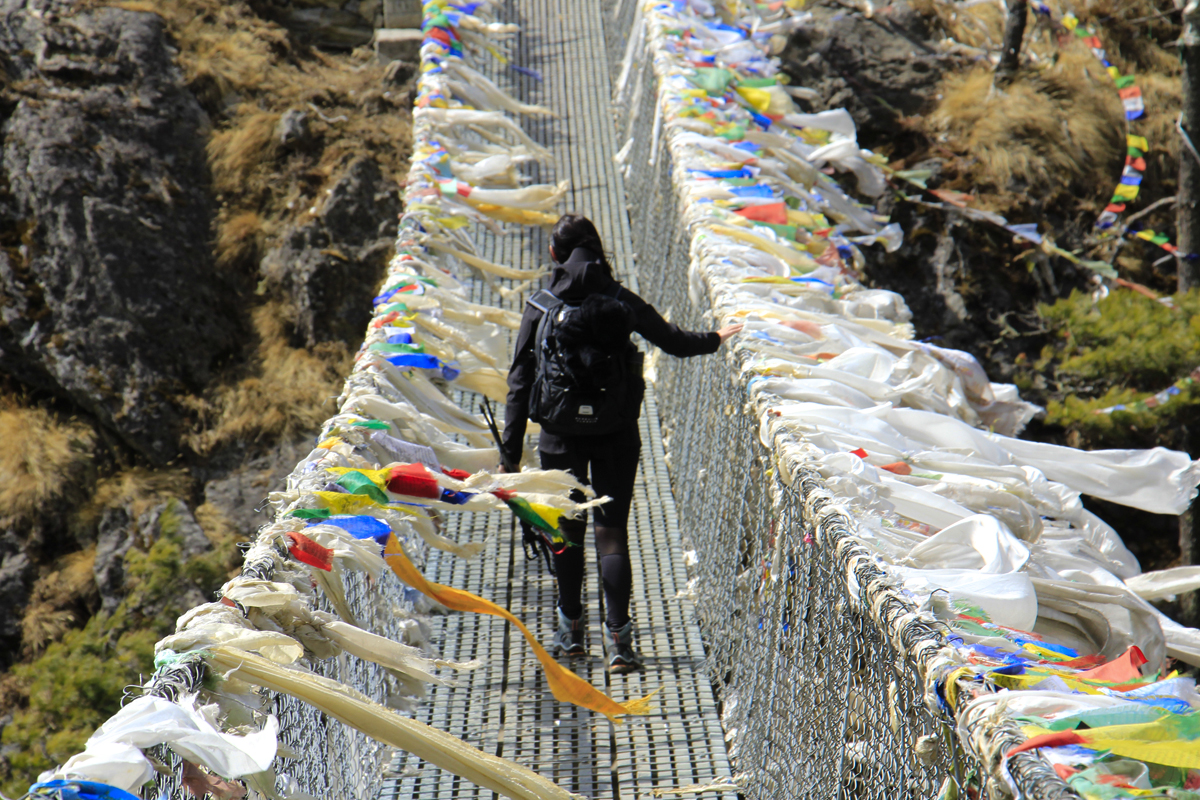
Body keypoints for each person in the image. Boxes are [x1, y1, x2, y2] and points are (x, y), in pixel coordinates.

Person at [501, 214, 742, 674]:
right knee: (611, 533)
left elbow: (519, 382)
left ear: (555, 254)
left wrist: (509, 456)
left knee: (566, 533)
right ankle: (620, 643)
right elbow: (672, 341)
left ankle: (571, 635)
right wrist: (714, 338)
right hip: (616, 431)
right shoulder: (619, 299)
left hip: (558, 435)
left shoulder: (541, 303)